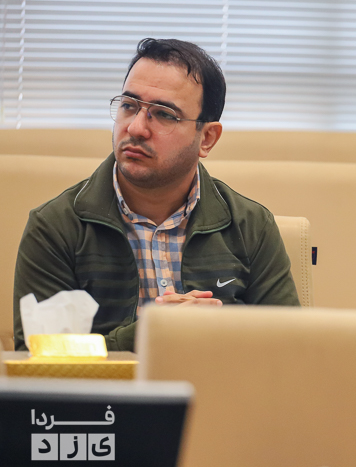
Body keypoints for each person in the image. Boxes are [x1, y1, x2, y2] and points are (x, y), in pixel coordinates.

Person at [13, 38, 299, 352]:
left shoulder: (252, 226)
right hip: (109, 388)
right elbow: (38, 359)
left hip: (217, 385)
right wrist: (151, 332)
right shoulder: (55, 226)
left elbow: (291, 349)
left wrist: (218, 332)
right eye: (129, 106)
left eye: (164, 114)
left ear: (207, 138)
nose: (136, 128)